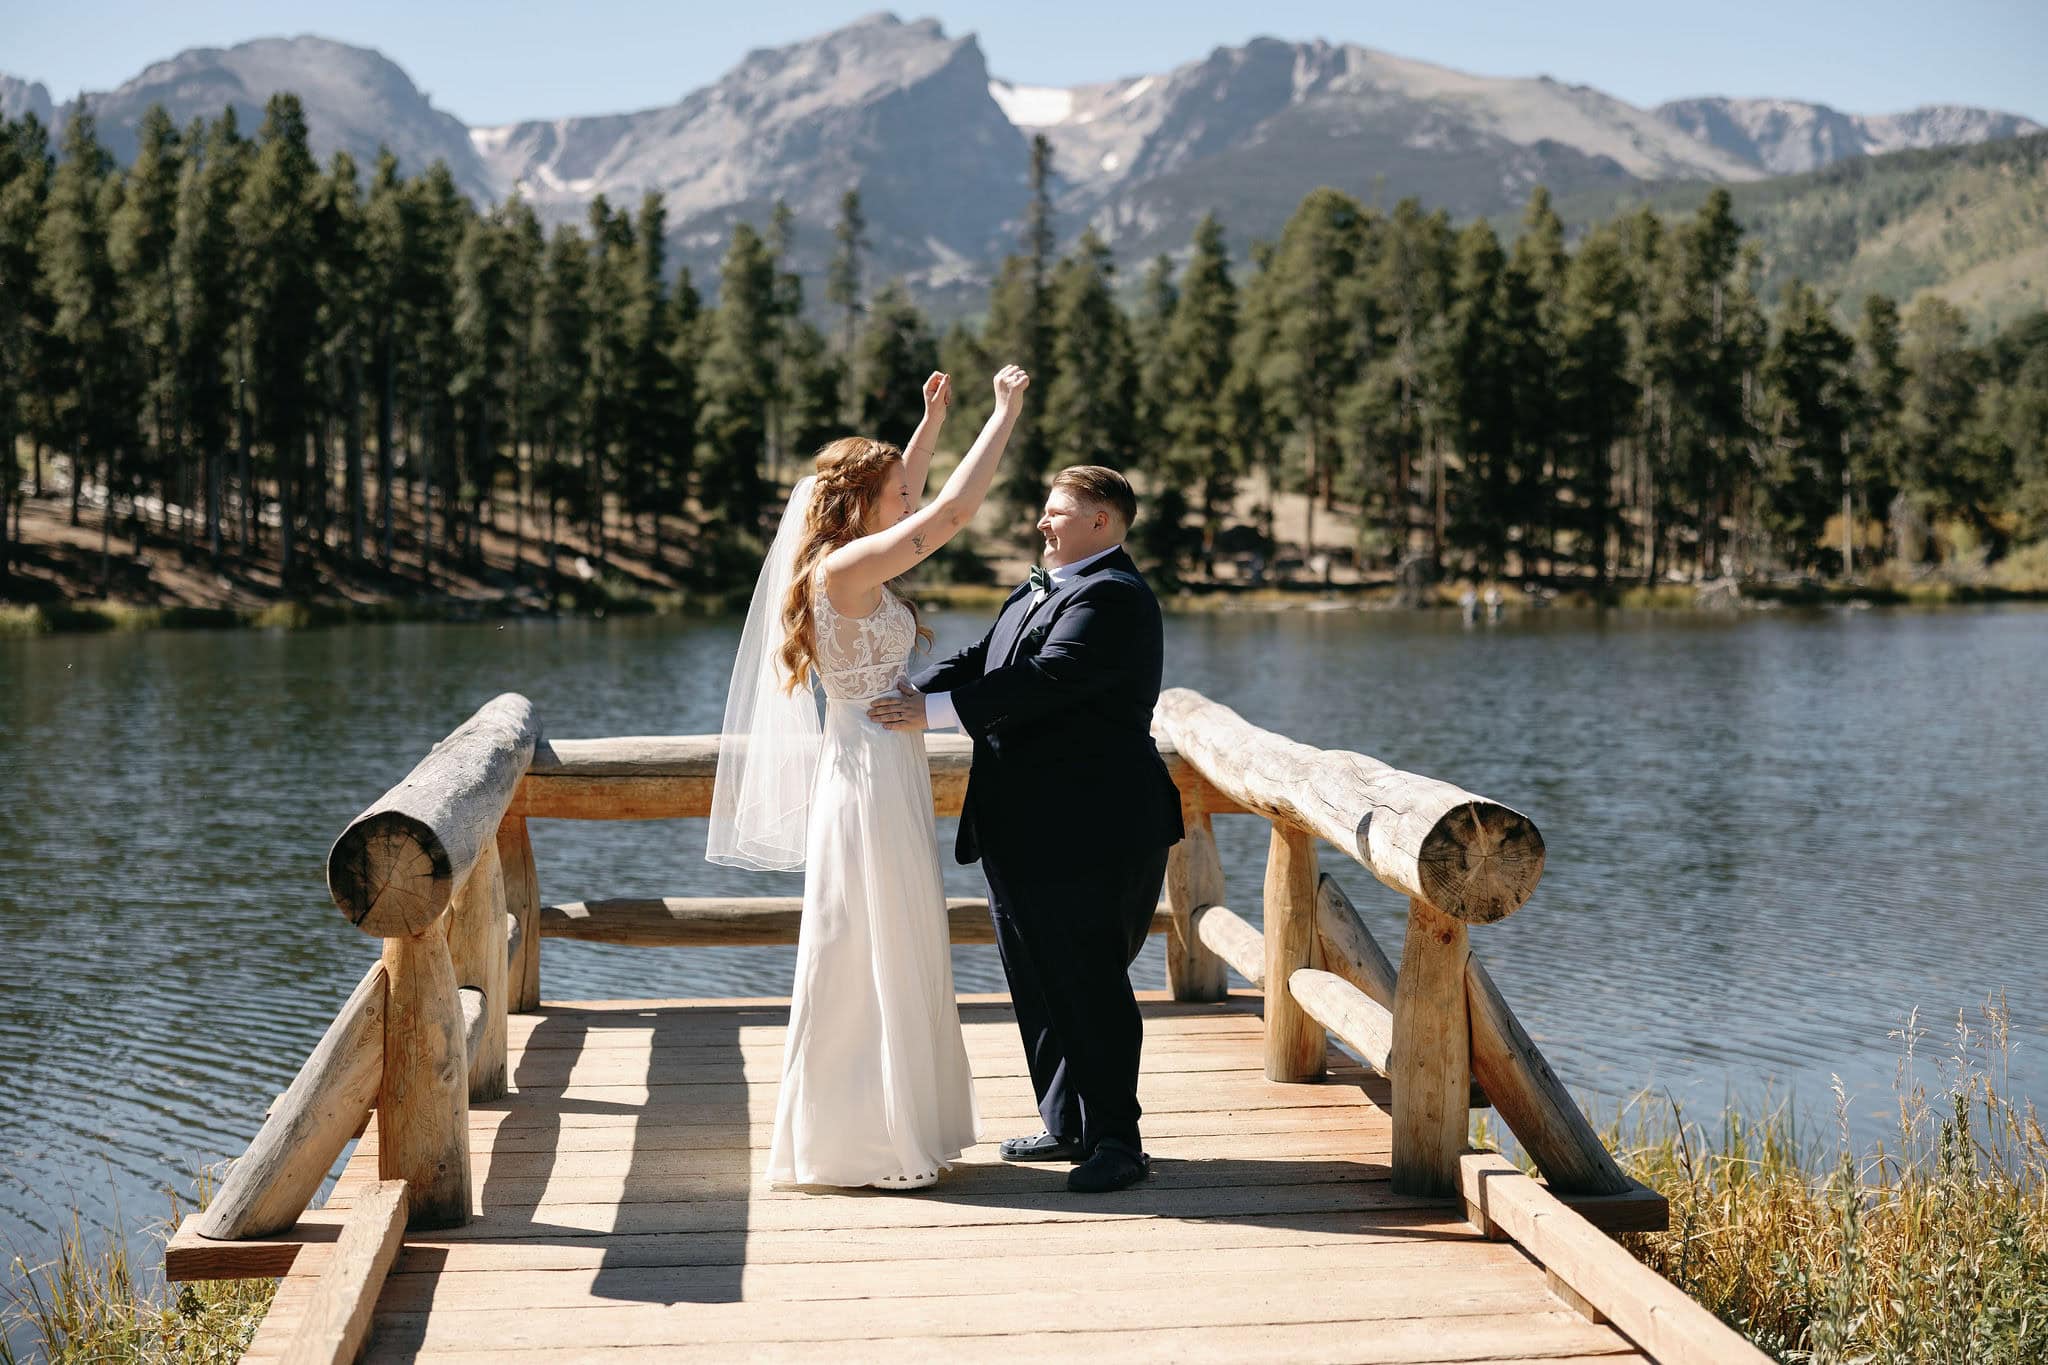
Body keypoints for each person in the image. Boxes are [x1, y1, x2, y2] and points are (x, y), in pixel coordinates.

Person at [709, 365, 1032, 1191]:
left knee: (889, 931)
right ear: (859, 504)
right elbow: (952, 513)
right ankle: (860, 1139)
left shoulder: (847, 559)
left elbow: (919, 495)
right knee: (865, 939)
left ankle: (897, 1125)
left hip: (883, 766)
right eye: (892, 496)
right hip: (863, 775)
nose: (906, 505)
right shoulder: (844, 573)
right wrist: (1003, 416)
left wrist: (929, 424)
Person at [868, 466, 1182, 1195]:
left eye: (1058, 512)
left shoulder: (1113, 597)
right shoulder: (1043, 583)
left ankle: (1117, 1141)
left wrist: (931, 717)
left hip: (1093, 829)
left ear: (1102, 521)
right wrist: (915, 689)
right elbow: (988, 659)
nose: (1043, 523)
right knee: (1038, 980)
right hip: (1020, 825)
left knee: (1089, 983)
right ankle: (1066, 1121)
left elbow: (1047, 677)